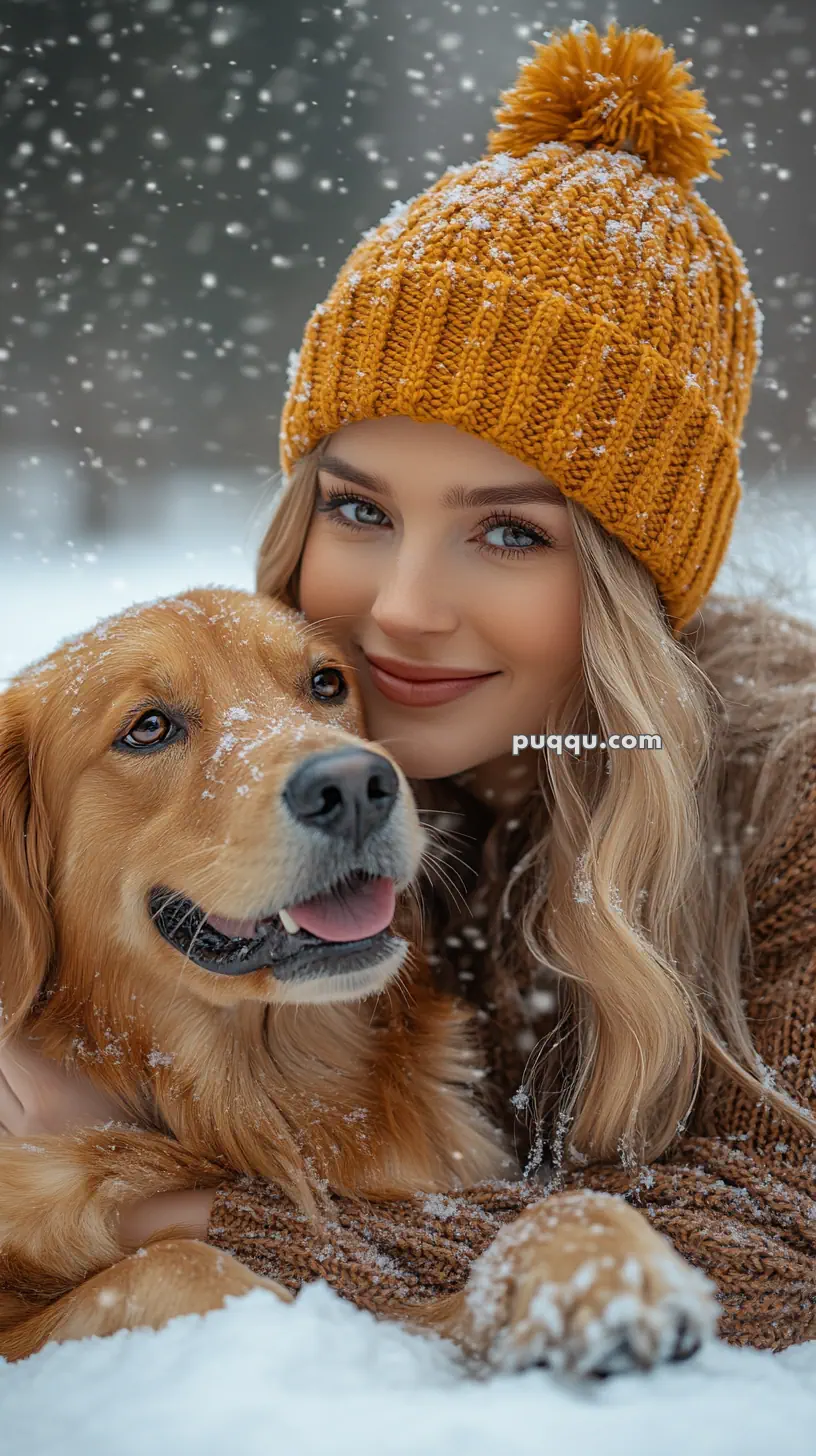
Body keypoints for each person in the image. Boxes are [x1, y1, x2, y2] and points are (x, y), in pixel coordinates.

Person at [2, 23, 815, 1351]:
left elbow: (795, 1230)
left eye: (509, 532)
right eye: (361, 510)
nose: (404, 610)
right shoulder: (314, 719)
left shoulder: (791, 797)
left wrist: (176, 1227)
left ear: (624, 584)